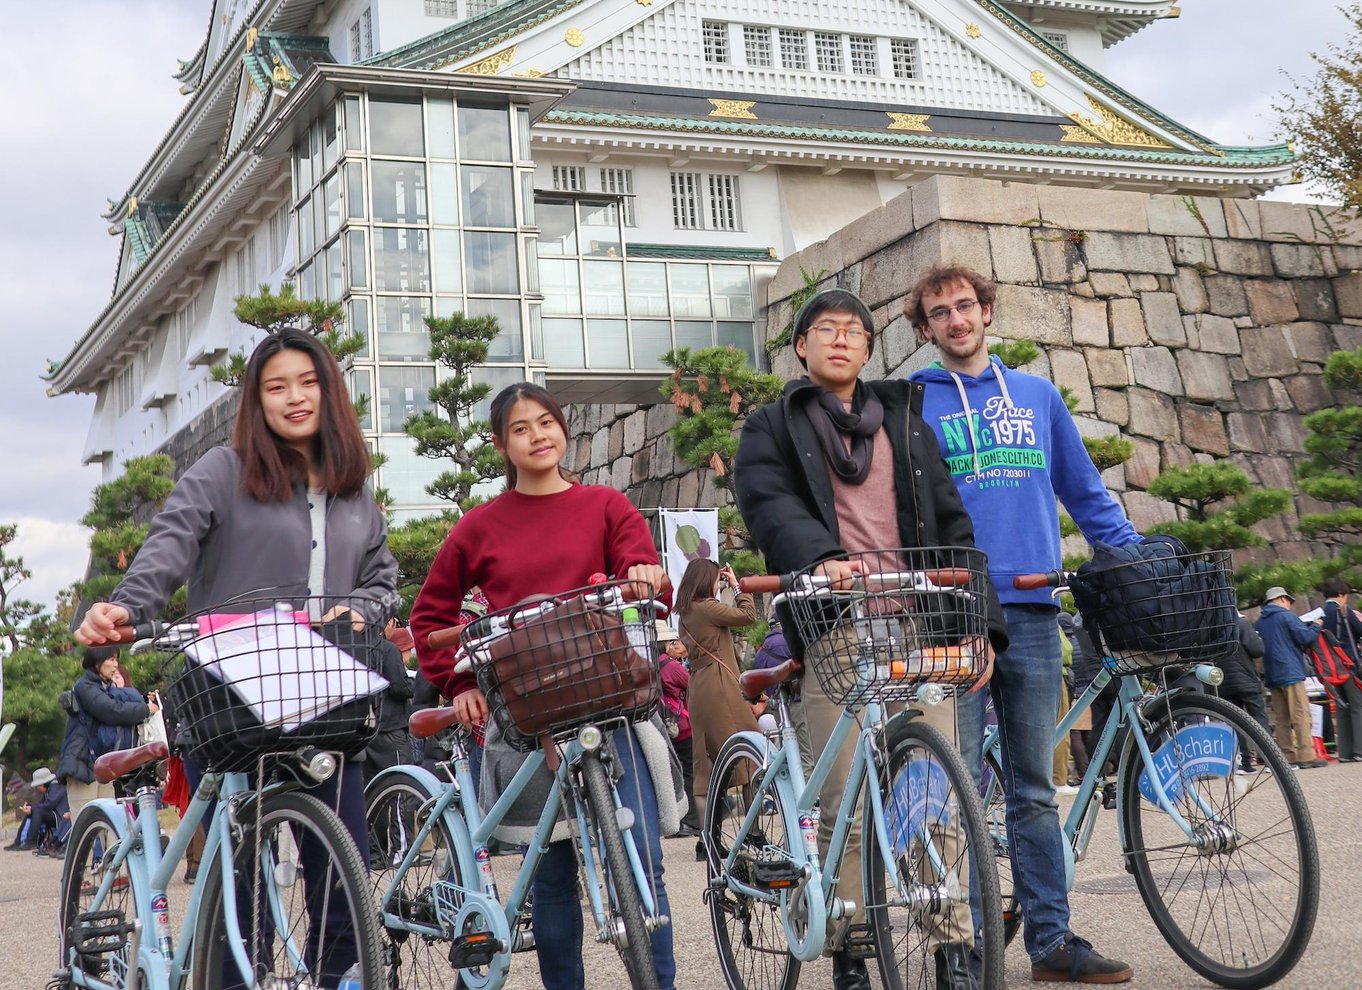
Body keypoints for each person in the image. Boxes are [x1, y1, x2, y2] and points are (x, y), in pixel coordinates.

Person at [75, 327, 400, 986]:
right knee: (240, 887)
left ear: (330, 392)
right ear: (256, 400)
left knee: (344, 881)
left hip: (325, 693)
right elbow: (170, 543)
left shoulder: (354, 492)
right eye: (276, 386)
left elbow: (380, 580)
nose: (294, 398)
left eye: (307, 383)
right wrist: (127, 606)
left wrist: (360, 610)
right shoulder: (223, 472)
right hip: (232, 696)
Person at [735, 287, 1008, 990]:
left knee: (930, 791)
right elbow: (769, 503)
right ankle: (852, 951)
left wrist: (979, 629)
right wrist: (822, 560)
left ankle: (952, 952)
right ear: (800, 346)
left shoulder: (906, 422)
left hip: (917, 618)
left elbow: (953, 524)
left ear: (868, 347)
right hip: (838, 627)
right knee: (845, 801)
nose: (841, 340)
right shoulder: (771, 426)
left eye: (856, 331)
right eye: (826, 330)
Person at [906, 263, 1137, 984]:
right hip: (950, 615)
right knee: (960, 791)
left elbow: (1084, 488)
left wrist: (1131, 558)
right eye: (939, 312)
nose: (956, 320)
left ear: (986, 312)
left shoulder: (1036, 396)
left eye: (966, 306)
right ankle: (963, 950)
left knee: (1035, 787)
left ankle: (1051, 942)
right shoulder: (911, 402)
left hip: (1035, 610)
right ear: (924, 329)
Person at [410, 381, 682, 990]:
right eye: (521, 428)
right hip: (526, 716)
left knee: (647, 864)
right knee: (553, 875)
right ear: (502, 445)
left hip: (609, 699)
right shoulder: (477, 528)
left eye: (547, 423)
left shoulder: (608, 506)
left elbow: (646, 575)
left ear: (563, 429)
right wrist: (457, 682)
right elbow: (430, 620)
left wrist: (644, 575)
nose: (538, 436)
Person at [675, 557, 758, 861]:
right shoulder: (708, 608)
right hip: (721, 685)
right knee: (751, 751)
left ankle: (706, 841)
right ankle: (753, 834)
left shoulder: (684, 613)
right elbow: (747, 615)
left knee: (705, 762)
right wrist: (737, 586)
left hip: (698, 688)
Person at [57, 645, 156, 820]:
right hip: (81, 763)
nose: (115, 665)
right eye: (111, 659)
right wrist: (146, 709)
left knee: (111, 824)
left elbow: (121, 705)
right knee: (85, 824)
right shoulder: (85, 686)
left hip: (100, 763)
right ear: (97, 662)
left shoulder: (105, 687)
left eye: (116, 659)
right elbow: (111, 711)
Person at [1254, 587, 1327, 769]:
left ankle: (1287, 755)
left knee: (1281, 718)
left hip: (1272, 674)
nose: (1289, 605)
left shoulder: (1260, 622)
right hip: (1291, 672)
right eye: (1288, 601)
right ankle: (1306, 755)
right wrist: (1317, 624)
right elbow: (1305, 637)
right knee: (1301, 714)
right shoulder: (1286, 616)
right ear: (1282, 599)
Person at [751, 619, 814, 778]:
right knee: (806, 753)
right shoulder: (792, 640)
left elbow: (758, 680)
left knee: (787, 750)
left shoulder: (762, 650)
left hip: (779, 706)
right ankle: (806, 794)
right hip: (799, 702)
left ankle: (789, 790)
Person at [656, 621, 700, 837]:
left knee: (674, 774)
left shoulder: (649, 666)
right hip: (682, 726)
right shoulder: (671, 666)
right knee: (690, 773)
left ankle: (675, 821)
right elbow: (692, 685)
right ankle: (691, 820)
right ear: (664, 643)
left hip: (662, 728)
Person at [362, 618, 415, 784]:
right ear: (389, 621)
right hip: (390, 727)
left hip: (363, 729)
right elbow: (399, 687)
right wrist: (415, 683)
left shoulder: (353, 648)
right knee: (401, 782)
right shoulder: (388, 649)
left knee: (371, 788)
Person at [1217, 613, 1270, 773]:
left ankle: (1245, 762)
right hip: (1246, 679)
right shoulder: (1241, 623)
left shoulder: (1212, 627)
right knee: (1259, 717)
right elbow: (1257, 649)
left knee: (1238, 722)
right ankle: (1269, 761)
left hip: (1224, 681)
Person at [1319, 578, 1362, 761]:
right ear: (1341, 595)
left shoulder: (1319, 615)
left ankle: (1345, 753)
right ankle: (1359, 750)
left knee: (1342, 708)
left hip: (1329, 670)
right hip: (1347, 666)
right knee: (1358, 707)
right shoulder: (1343, 611)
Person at [7, 768, 68, 852]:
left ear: (44, 783)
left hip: (60, 817)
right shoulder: (49, 789)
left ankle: (32, 841)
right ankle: (19, 841)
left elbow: (49, 804)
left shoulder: (56, 786)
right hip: (53, 814)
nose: (38, 788)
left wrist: (32, 808)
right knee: (33, 811)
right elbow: (42, 804)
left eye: (38, 786)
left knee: (37, 811)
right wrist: (30, 807)